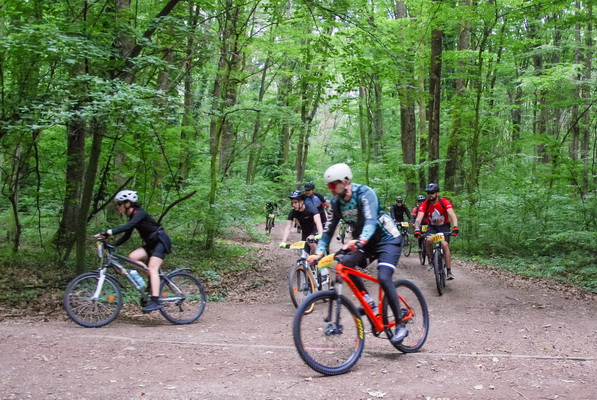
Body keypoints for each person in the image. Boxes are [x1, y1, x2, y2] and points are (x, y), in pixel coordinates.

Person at [308, 163, 408, 345]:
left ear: (346, 181)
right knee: (344, 264)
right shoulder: (337, 203)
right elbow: (329, 230)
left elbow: (370, 221)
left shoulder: (364, 194)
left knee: (384, 277)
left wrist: (360, 240)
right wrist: (319, 252)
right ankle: (369, 302)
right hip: (365, 242)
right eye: (329, 185)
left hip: (387, 239)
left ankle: (401, 325)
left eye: (334, 184)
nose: (331, 189)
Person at [97, 190, 172, 313]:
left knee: (152, 268)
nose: (118, 206)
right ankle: (154, 279)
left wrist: (109, 232)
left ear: (128, 203)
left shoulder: (140, 213)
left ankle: (155, 301)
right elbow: (127, 235)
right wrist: (112, 245)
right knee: (132, 257)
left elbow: (127, 226)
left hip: (160, 241)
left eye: (119, 204)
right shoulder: (133, 216)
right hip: (151, 244)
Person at [413, 183, 459, 280]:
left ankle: (449, 271)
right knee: (428, 240)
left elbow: (452, 215)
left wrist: (455, 227)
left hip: (444, 226)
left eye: (432, 192)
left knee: (444, 245)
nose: (430, 194)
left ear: (437, 193)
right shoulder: (425, 204)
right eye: (428, 193)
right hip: (432, 227)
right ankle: (431, 260)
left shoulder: (444, 202)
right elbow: (418, 219)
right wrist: (417, 229)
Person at [279, 190, 324, 255]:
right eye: (292, 203)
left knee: (311, 242)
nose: (293, 205)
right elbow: (288, 227)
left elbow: (318, 222)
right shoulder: (293, 212)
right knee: (303, 254)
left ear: (301, 202)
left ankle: (318, 258)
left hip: (315, 232)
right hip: (305, 234)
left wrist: (320, 234)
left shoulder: (311, 209)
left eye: (295, 202)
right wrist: (283, 242)